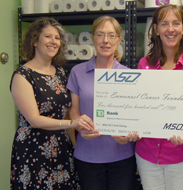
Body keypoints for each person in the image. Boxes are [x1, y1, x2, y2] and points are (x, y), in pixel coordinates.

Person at [10, 17, 94, 190]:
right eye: (48, 36)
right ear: (34, 40)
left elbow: (68, 111)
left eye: (57, 38)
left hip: (61, 147)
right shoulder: (23, 76)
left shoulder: (62, 74)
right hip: (33, 149)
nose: (53, 42)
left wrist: (75, 147)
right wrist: (71, 123)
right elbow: (34, 119)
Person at [135, 4, 183, 190]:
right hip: (148, 153)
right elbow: (139, 106)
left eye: (175, 23)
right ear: (156, 29)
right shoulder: (144, 64)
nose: (170, 29)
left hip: (181, 153)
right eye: (164, 24)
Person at [66, 16, 137, 190]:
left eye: (111, 36)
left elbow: (134, 115)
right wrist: (79, 125)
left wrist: (129, 133)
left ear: (119, 40)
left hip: (122, 156)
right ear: (93, 38)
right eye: (100, 35)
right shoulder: (78, 72)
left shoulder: (129, 75)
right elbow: (74, 111)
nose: (105, 40)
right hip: (88, 156)